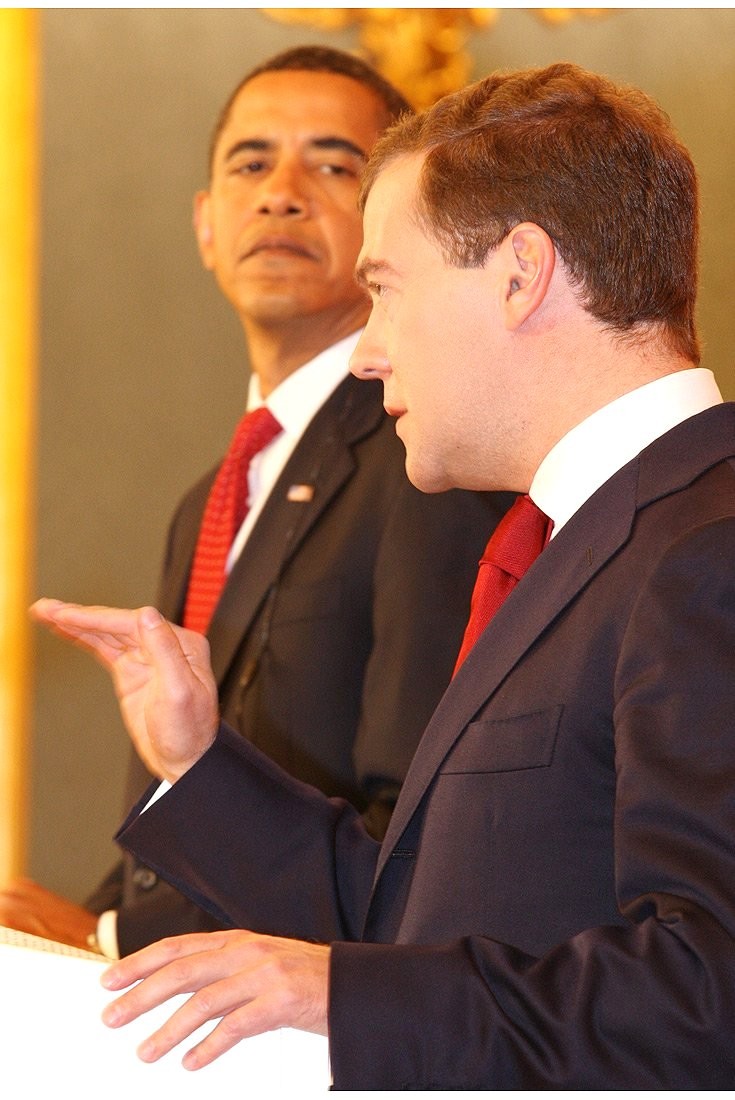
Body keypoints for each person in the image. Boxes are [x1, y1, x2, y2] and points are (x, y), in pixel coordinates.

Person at [31, 61, 735, 1088]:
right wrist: (199, 762)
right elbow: (411, 920)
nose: (366, 352)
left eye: (384, 289)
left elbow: (709, 990)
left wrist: (343, 995)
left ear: (519, 273)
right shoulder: (574, 548)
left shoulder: (706, 543)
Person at [0, 47, 511, 959]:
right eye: (249, 163)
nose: (280, 193)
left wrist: (112, 936)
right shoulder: (212, 494)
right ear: (204, 224)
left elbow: (414, 837)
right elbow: (180, 789)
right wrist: (79, 928)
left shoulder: (426, 462)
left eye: (331, 164)